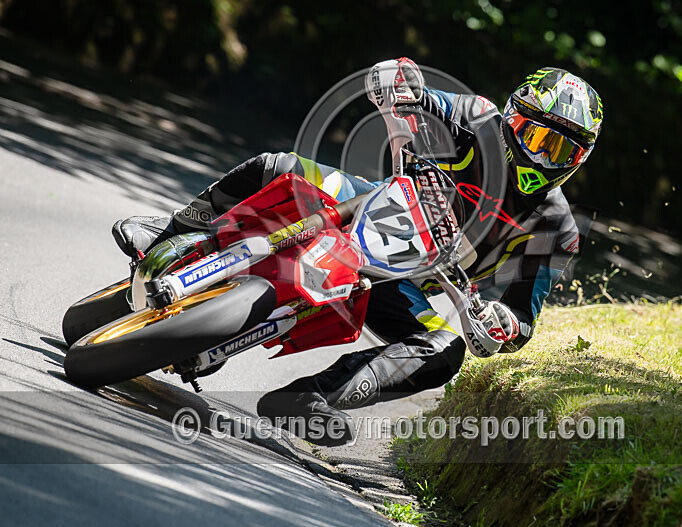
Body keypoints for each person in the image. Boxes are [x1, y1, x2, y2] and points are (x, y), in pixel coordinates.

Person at [112, 58, 603, 446]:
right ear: (512, 115)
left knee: (445, 351)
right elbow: (416, 90)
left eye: (560, 150)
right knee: (278, 165)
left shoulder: (556, 228)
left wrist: (501, 323)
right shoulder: (477, 118)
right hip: (365, 204)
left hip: (407, 283)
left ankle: (311, 397)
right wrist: (397, 83)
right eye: (535, 134)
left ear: (578, 161)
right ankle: (172, 236)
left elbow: (523, 317)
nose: (541, 154)